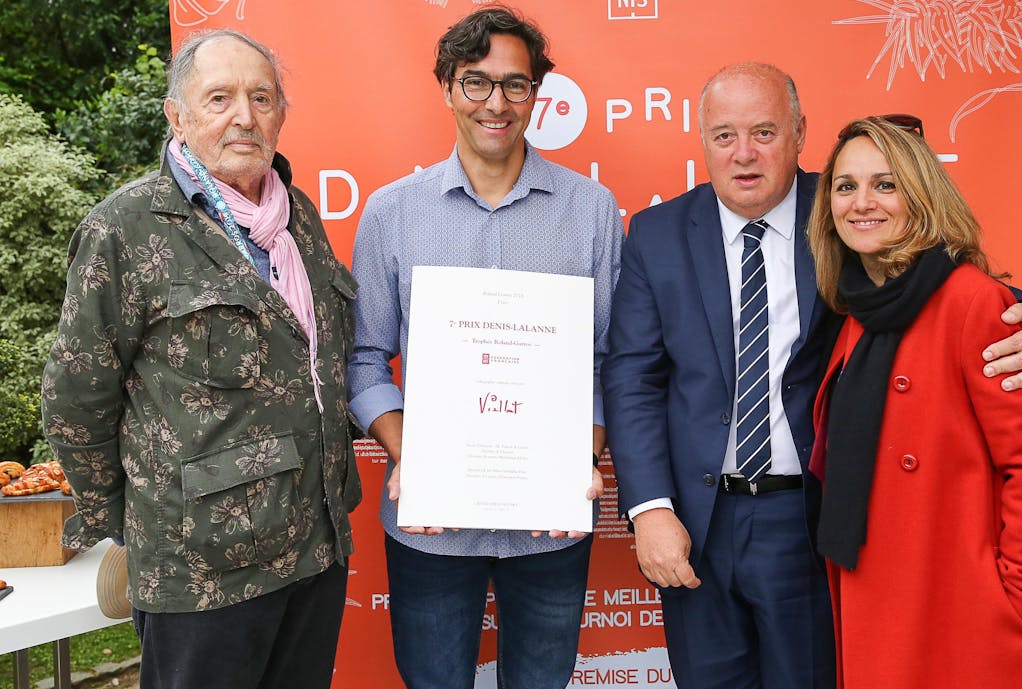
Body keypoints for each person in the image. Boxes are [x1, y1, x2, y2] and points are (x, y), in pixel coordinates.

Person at [601, 63, 1022, 689]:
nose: (744, 154)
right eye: (723, 135)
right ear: (703, 139)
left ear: (799, 133)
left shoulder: (846, 210)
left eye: (764, 131)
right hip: (695, 524)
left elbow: (945, 280)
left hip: (813, 519)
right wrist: (650, 510)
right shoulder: (654, 235)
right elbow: (633, 377)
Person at [40, 29, 360, 689]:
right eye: (219, 98)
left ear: (280, 114)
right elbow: (76, 401)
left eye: (261, 97)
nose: (244, 115)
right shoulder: (124, 229)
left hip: (315, 549)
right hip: (202, 572)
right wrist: (132, 522)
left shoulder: (297, 218)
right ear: (177, 115)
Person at [346, 7, 623, 689]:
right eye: (475, 83)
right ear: (446, 87)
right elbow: (362, 359)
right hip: (432, 525)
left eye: (515, 85)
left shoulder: (591, 210)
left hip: (550, 524)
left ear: (537, 93)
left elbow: (612, 359)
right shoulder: (391, 212)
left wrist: (580, 455)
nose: (495, 104)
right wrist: (418, 456)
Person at [805, 115, 1022, 688]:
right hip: (876, 580)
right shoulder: (857, 305)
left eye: (886, 184)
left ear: (922, 194)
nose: (863, 202)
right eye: (846, 185)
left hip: (966, 600)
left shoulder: (973, 303)